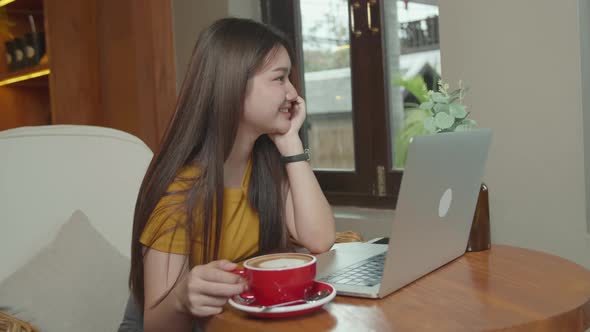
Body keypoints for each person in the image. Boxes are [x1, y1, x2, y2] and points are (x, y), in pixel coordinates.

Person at [124, 17, 336, 331]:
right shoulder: (180, 192)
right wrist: (182, 297)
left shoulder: (265, 164)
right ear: (233, 87)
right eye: (279, 79)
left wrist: (291, 141)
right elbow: (156, 325)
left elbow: (320, 239)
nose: (293, 93)